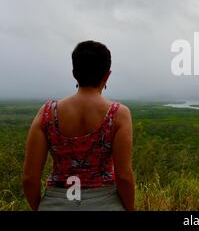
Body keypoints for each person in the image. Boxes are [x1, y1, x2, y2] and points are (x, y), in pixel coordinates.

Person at [22, 40, 135, 211]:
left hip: (56, 201)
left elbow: (30, 178)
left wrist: (42, 206)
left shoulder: (47, 113)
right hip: (105, 203)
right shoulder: (118, 114)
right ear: (107, 75)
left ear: (74, 73)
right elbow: (124, 177)